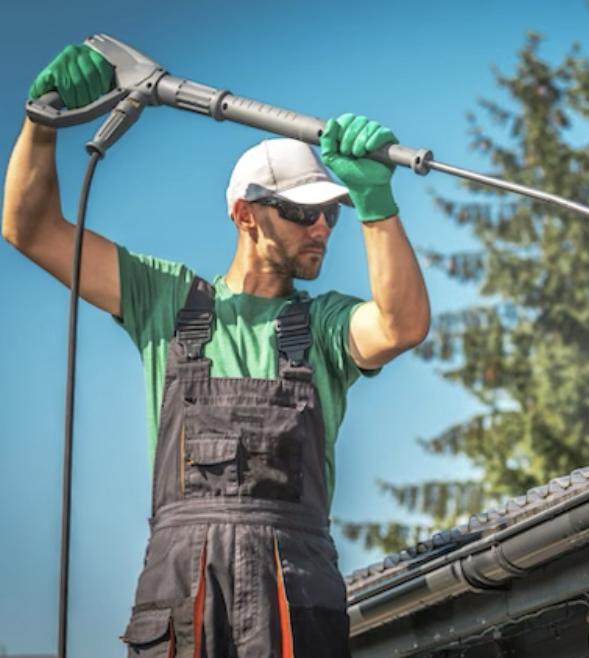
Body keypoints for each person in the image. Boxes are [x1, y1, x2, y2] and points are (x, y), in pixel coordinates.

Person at [2, 43, 430, 657]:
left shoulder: (324, 325)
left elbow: (401, 325)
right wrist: (40, 124)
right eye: (301, 213)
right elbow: (32, 228)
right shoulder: (166, 300)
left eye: (330, 216)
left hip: (294, 588)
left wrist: (376, 206)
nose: (321, 230)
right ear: (245, 213)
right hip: (185, 587)